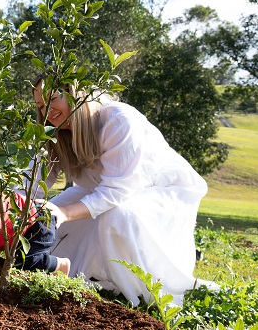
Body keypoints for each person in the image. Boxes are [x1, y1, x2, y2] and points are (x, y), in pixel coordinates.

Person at [28, 73, 208, 306]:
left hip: (160, 192)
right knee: (50, 217)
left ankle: (132, 292)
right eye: (40, 106)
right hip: (108, 191)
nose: (47, 111)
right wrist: (15, 206)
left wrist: (64, 214)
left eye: (53, 99)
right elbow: (31, 184)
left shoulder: (117, 120)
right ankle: (75, 272)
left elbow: (116, 191)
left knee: (117, 216)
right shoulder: (55, 134)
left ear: (75, 94)